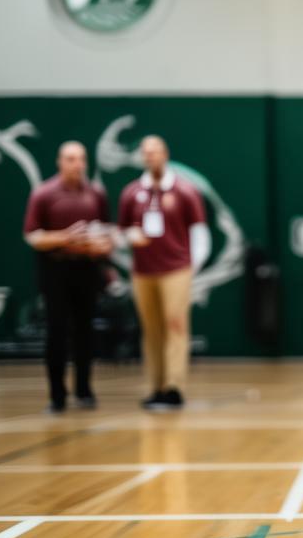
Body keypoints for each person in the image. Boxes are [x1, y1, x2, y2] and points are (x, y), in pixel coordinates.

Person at [118, 135, 209, 411]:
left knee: (175, 325)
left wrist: (193, 266)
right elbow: (122, 232)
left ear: (165, 154)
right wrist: (130, 237)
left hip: (176, 270)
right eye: (146, 153)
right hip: (143, 271)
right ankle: (155, 387)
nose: (151, 157)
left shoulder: (185, 190)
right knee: (152, 330)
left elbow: (199, 233)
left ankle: (174, 386)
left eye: (155, 152)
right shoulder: (132, 193)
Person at [23, 141, 113, 413]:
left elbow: (106, 231)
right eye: (71, 159)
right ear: (60, 162)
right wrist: (65, 237)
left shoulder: (96, 194)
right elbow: (33, 235)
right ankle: (57, 395)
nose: (77, 164)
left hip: (86, 269)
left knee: (85, 331)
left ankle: (84, 390)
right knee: (57, 332)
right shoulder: (44, 194)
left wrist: (103, 245)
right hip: (56, 270)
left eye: (81, 159)